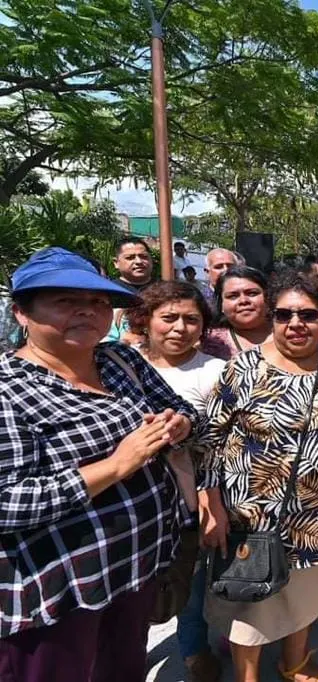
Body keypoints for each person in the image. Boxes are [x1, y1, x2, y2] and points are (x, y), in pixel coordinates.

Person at [0, 248, 197, 681]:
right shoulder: (8, 389)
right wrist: (117, 465)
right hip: (59, 591)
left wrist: (178, 424)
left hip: (134, 568)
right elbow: (8, 502)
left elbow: (180, 408)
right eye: (66, 301)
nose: (87, 311)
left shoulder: (120, 360)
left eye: (98, 301)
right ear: (21, 313)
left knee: (123, 669)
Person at [197, 273, 318, 682]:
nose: (295, 324)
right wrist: (210, 503)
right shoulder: (243, 369)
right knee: (251, 608)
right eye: (284, 315)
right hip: (252, 516)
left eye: (308, 315)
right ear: (272, 318)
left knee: (305, 597)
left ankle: (295, 664)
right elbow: (209, 440)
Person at [125, 281, 225, 682]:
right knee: (128, 592)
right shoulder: (120, 364)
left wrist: (210, 500)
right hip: (127, 499)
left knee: (188, 582)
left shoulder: (214, 370)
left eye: (191, 320)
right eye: (168, 318)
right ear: (145, 319)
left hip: (187, 497)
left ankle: (193, 651)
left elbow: (220, 443)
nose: (180, 328)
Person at [203, 266, 272, 360]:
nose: (243, 301)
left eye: (252, 293)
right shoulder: (210, 343)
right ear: (221, 305)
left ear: (268, 297)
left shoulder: (288, 331)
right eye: (233, 296)